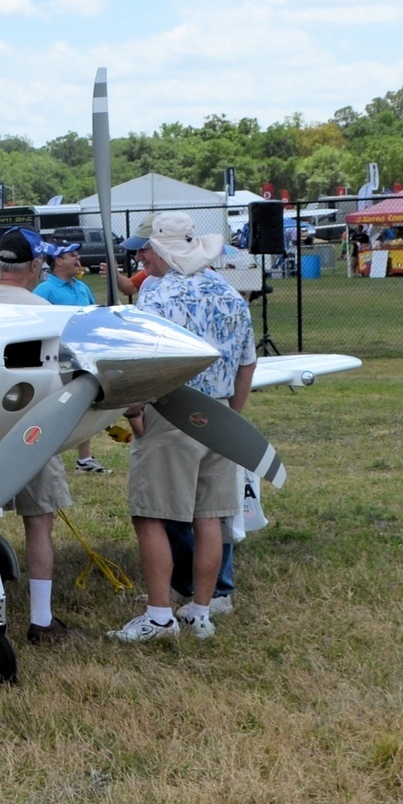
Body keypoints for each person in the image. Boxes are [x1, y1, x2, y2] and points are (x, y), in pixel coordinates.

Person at [110, 213, 256, 643]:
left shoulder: (155, 300)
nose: (141, 256)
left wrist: (134, 410)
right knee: (209, 516)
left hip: (171, 414)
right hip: (219, 418)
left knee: (150, 513)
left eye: (146, 249)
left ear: (164, 252)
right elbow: (247, 363)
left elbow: (142, 365)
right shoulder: (232, 295)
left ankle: (158, 617)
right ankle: (200, 612)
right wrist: (233, 413)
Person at [0, 227, 74, 646]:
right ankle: (41, 619)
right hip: (36, 431)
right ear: (35, 266)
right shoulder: (44, 310)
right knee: (39, 524)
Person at [33, 243, 111, 475]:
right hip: (57, 359)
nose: (78, 259)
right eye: (72, 255)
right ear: (58, 261)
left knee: (85, 406)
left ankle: (84, 459)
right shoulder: (44, 291)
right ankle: (43, 456)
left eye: (78, 254)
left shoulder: (82, 287)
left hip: (84, 357)